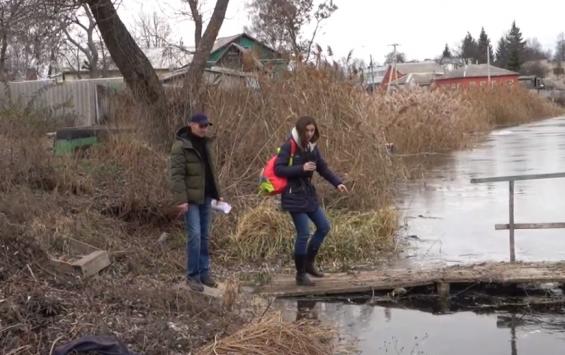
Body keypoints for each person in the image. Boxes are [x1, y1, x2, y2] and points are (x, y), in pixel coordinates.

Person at [275, 116, 348, 286]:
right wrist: (301, 168)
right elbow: (279, 169)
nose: (309, 133)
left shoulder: (312, 148)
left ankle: (308, 263)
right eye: (306, 130)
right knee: (304, 233)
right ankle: (300, 275)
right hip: (292, 195)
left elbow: (322, 168)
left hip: (308, 194)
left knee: (324, 227)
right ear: (300, 130)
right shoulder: (289, 146)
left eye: (312, 130)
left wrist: (337, 183)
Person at [169, 113, 222, 292]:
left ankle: (204, 273)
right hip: (190, 200)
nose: (204, 129)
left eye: (207, 125)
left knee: (205, 235)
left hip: (206, 196)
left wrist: (217, 194)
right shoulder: (180, 146)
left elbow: (210, 172)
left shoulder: (206, 144)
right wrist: (181, 200)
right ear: (191, 125)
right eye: (201, 126)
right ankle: (192, 276)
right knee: (195, 236)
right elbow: (176, 175)